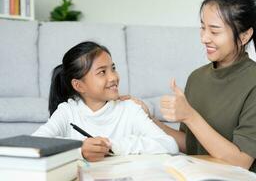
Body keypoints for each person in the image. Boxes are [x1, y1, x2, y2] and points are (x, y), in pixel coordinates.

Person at [154, 0, 256, 180]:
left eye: (214, 31)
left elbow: (240, 163)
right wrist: (149, 120)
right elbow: (192, 144)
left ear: (245, 35)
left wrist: (190, 116)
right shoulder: (196, 78)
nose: (204, 38)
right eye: (203, 27)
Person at [33, 41, 178, 162]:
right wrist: (79, 150)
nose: (113, 77)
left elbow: (169, 145)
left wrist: (112, 146)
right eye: (102, 72)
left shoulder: (130, 109)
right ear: (79, 85)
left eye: (113, 68)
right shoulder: (67, 111)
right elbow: (33, 145)